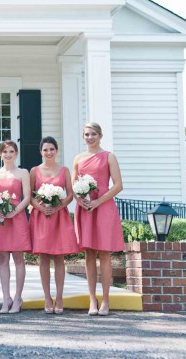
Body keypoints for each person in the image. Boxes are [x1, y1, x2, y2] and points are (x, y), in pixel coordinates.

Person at [73, 122, 125, 316]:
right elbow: (73, 186)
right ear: (83, 137)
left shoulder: (109, 156)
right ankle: (92, 300)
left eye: (94, 134)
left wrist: (98, 202)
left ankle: (106, 299)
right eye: (87, 134)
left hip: (103, 208)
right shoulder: (78, 159)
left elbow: (118, 185)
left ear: (100, 136)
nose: (90, 137)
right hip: (86, 208)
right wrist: (81, 200)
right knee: (89, 254)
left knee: (104, 253)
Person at [29, 136, 79, 315]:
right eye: (45, 150)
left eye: (51, 149)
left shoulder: (64, 170)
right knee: (43, 257)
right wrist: (41, 208)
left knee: (59, 257)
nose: (48, 152)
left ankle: (59, 297)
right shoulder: (34, 171)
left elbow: (70, 194)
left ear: (57, 151)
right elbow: (30, 196)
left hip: (59, 217)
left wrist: (58, 206)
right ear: (41, 152)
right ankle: (47, 297)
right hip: (41, 217)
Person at [0, 140, 32, 314]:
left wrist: (14, 212)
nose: (8, 155)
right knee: (3, 259)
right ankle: (6, 298)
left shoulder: (22, 173)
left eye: (11, 151)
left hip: (17, 217)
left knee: (18, 259)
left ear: (16, 153)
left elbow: (26, 197)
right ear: (0, 154)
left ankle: (18, 297)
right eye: (5, 152)